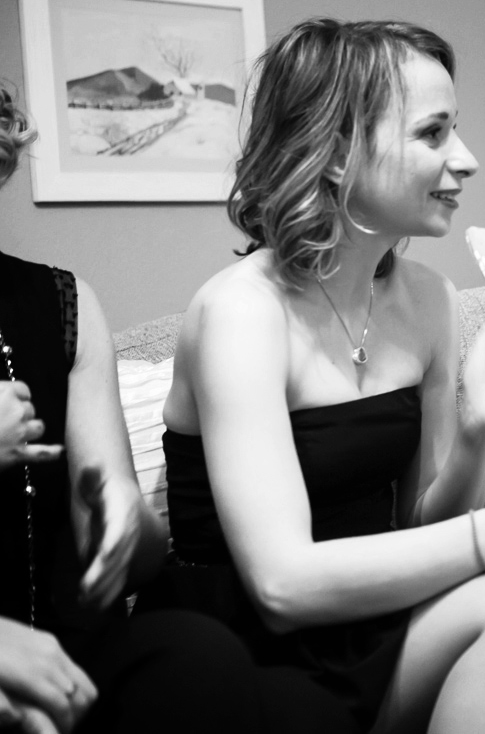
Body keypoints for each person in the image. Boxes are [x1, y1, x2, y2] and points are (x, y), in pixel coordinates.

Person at [151, 20, 485, 734]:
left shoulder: (427, 299)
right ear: (335, 152)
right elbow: (281, 585)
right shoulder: (242, 312)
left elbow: (427, 524)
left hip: (374, 615)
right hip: (255, 647)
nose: (467, 158)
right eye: (432, 133)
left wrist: (482, 431)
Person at [0, 88, 277, 734]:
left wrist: (125, 523)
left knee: (198, 654)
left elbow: (137, 557)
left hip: (73, 652)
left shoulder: (63, 301)